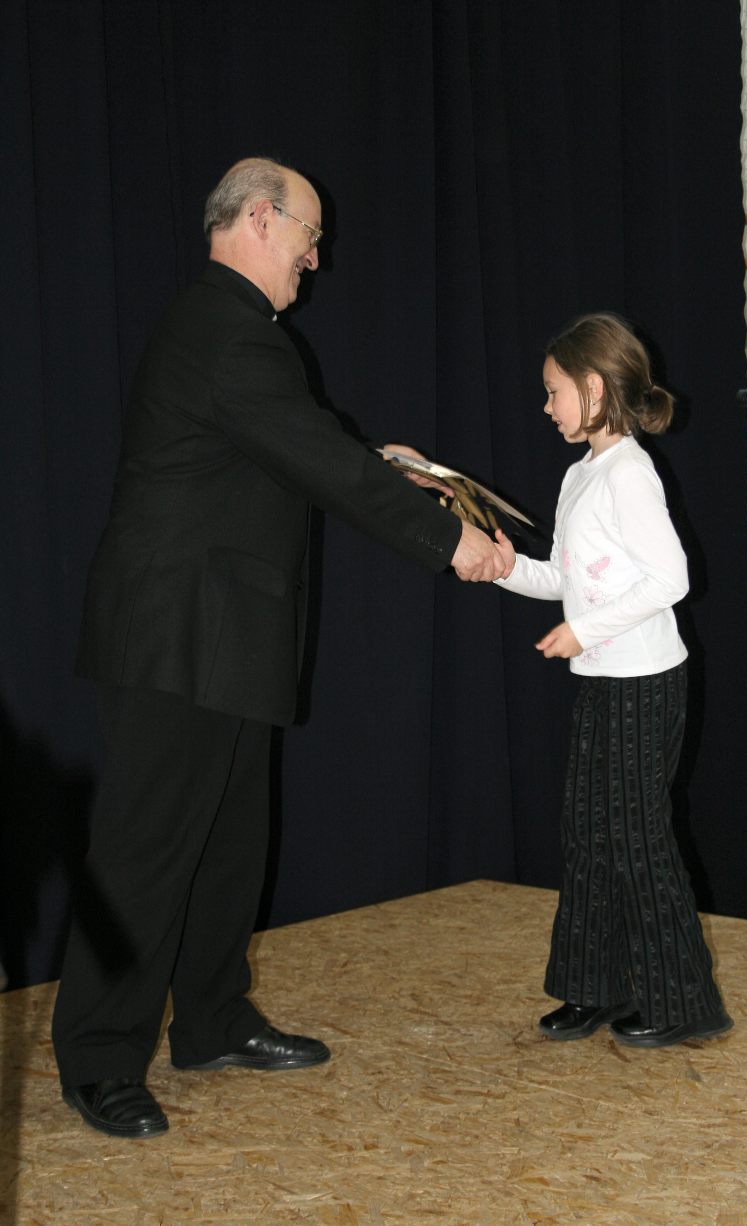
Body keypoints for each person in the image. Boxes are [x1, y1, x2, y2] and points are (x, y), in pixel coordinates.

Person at [52, 156, 506, 1139]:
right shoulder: (228, 331)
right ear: (260, 218)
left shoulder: (230, 333)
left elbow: (287, 443)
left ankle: (212, 1021)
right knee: (144, 854)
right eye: (309, 233)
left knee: (228, 847)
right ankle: (96, 1056)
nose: (316, 255)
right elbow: (305, 452)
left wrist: (374, 461)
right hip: (178, 638)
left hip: (217, 638)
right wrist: (449, 539)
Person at [494, 312, 732, 1048]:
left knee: (637, 840)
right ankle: (596, 988)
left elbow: (671, 578)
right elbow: (566, 579)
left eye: (554, 391)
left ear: (594, 390)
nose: (546, 406)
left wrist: (585, 631)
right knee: (589, 833)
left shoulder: (631, 472)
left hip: (646, 684)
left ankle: (685, 1002)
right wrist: (503, 567)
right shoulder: (580, 474)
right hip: (605, 681)